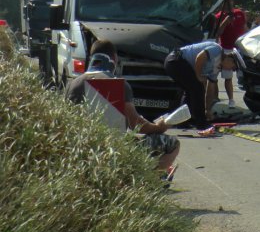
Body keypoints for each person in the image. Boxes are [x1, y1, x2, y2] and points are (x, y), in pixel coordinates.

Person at [66, 40, 180, 171]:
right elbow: (136, 125)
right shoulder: (119, 84)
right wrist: (159, 126)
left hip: (79, 147)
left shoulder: (72, 84)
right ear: (114, 58)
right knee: (173, 143)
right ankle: (152, 179)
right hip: (114, 149)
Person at [164, 41, 224, 133]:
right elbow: (200, 57)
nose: (232, 69)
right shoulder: (217, 49)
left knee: (190, 91)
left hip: (177, 63)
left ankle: (182, 121)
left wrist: (208, 110)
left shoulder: (217, 68)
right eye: (234, 66)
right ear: (230, 58)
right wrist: (198, 75)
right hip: (175, 60)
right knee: (197, 89)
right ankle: (201, 123)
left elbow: (210, 89)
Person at [215, 0, 247, 107]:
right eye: (226, 1)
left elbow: (245, 28)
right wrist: (225, 21)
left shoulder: (240, 13)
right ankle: (231, 100)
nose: (229, 3)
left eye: (230, 1)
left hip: (240, 48)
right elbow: (217, 33)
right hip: (226, 49)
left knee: (245, 73)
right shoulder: (218, 16)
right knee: (227, 76)